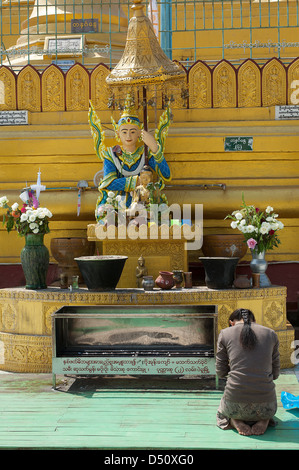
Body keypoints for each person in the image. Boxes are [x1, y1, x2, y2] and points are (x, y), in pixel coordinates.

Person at [88, 95, 172, 222]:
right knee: (105, 215)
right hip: (117, 204)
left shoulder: (146, 153)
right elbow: (109, 183)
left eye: (133, 131)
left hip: (143, 203)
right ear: (117, 133)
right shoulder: (111, 154)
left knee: (160, 212)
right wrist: (136, 181)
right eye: (124, 132)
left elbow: (166, 175)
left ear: (139, 133)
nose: (128, 136)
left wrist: (155, 148)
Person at [216, 308, 280, 436]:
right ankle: (264, 419)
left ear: (231, 322)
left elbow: (220, 372)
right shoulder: (271, 333)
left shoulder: (225, 333)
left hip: (234, 404)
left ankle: (234, 419)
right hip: (267, 406)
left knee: (222, 410)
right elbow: (276, 373)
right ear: (254, 321)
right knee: (264, 406)